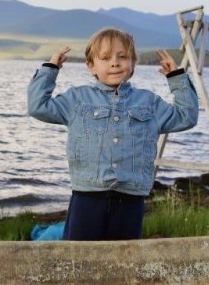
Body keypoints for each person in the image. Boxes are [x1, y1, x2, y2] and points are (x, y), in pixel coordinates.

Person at [27, 27, 199, 240]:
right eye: (105, 58)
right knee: (79, 261)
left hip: (131, 200)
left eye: (122, 57)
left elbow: (186, 117)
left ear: (132, 63)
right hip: (86, 198)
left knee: (124, 261)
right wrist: (50, 69)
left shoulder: (149, 103)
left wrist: (177, 78)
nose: (115, 63)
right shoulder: (77, 100)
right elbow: (37, 106)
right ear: (91, 66)